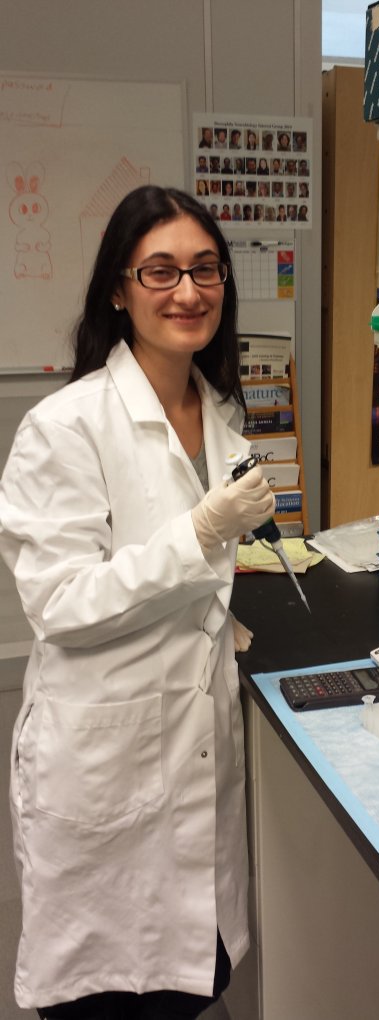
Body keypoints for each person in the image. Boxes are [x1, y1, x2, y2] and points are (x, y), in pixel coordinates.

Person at [0, 185, 275, 1020]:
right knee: (109, 990)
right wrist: (199, 535)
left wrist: (212, 610)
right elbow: (62, 603)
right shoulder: (65, 426)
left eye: (204, 270)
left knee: (194, 974)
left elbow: (182, 565)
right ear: (119, 289)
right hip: (105, 752)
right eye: (161, 271)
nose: (187, 292)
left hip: (194, 732)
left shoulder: (220, 410)